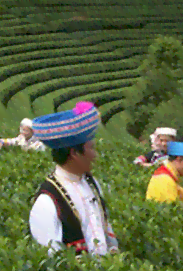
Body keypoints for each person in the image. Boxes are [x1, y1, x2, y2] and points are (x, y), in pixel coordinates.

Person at [28, 101, 119, 256]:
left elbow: (104, 230)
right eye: (91, 148)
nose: (95, 155)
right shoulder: (47, 202)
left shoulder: (92, 183)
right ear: (74, 154)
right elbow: (54, 262)